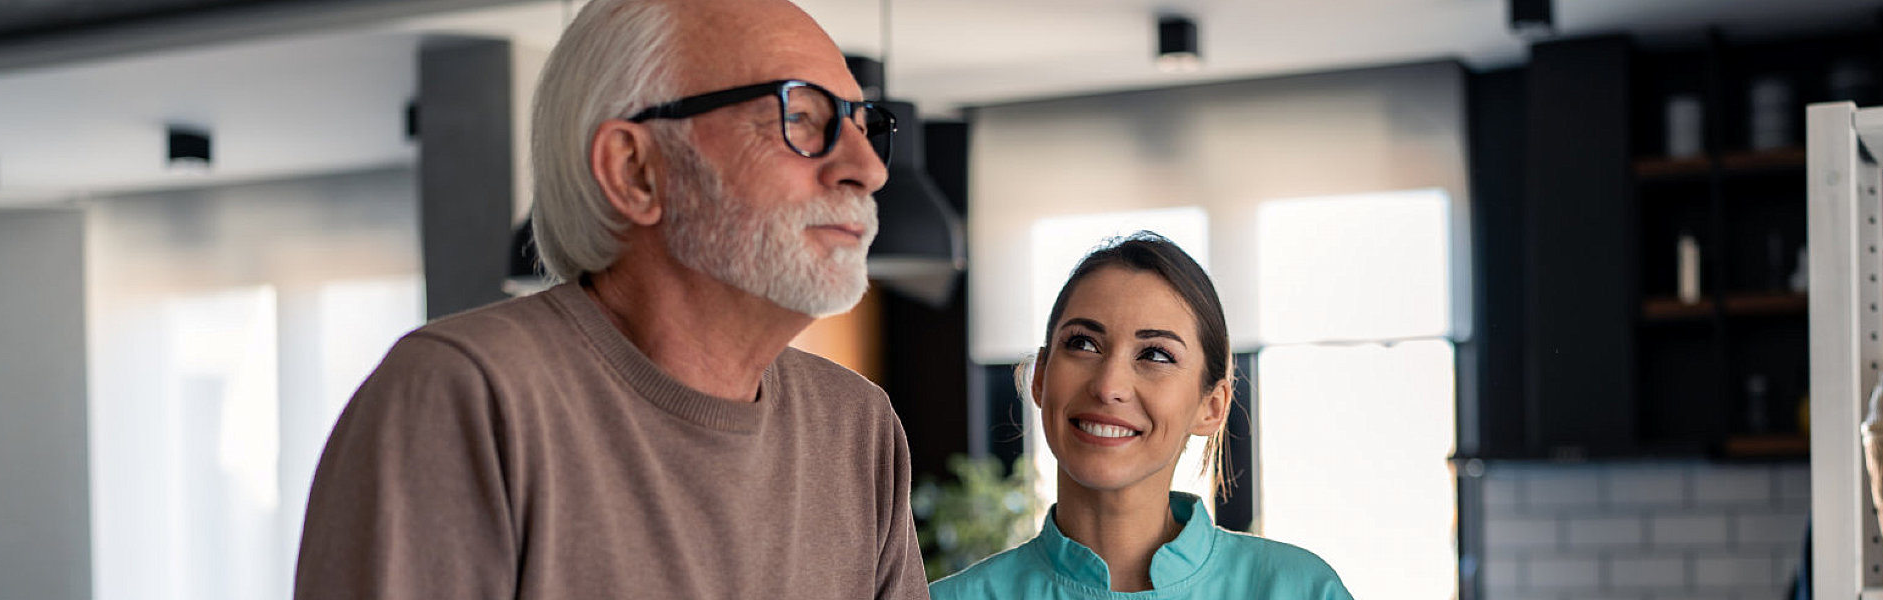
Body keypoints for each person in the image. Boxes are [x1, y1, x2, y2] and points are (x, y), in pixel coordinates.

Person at [292, 0, 928, 598]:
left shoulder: (856, 428)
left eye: (865, 124)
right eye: (800, 117)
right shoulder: (465, 395)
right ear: (635, 170)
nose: (868, 169)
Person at [929, 233, 1353, 599]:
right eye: (1083, 344)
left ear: (1212, 407)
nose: (1108, 385)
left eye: (1155, 354)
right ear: (1040, 377)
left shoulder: (1300, 590)